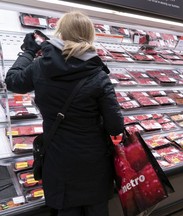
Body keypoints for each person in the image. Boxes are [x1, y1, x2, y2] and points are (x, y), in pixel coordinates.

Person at [5, 11, 124, 216]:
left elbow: (13, 81)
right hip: (93, 161)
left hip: (58, 159)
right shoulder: (97, 73)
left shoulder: (39, 66)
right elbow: (115, 126)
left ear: (60, 32)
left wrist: (28, 52)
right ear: (89, 36)